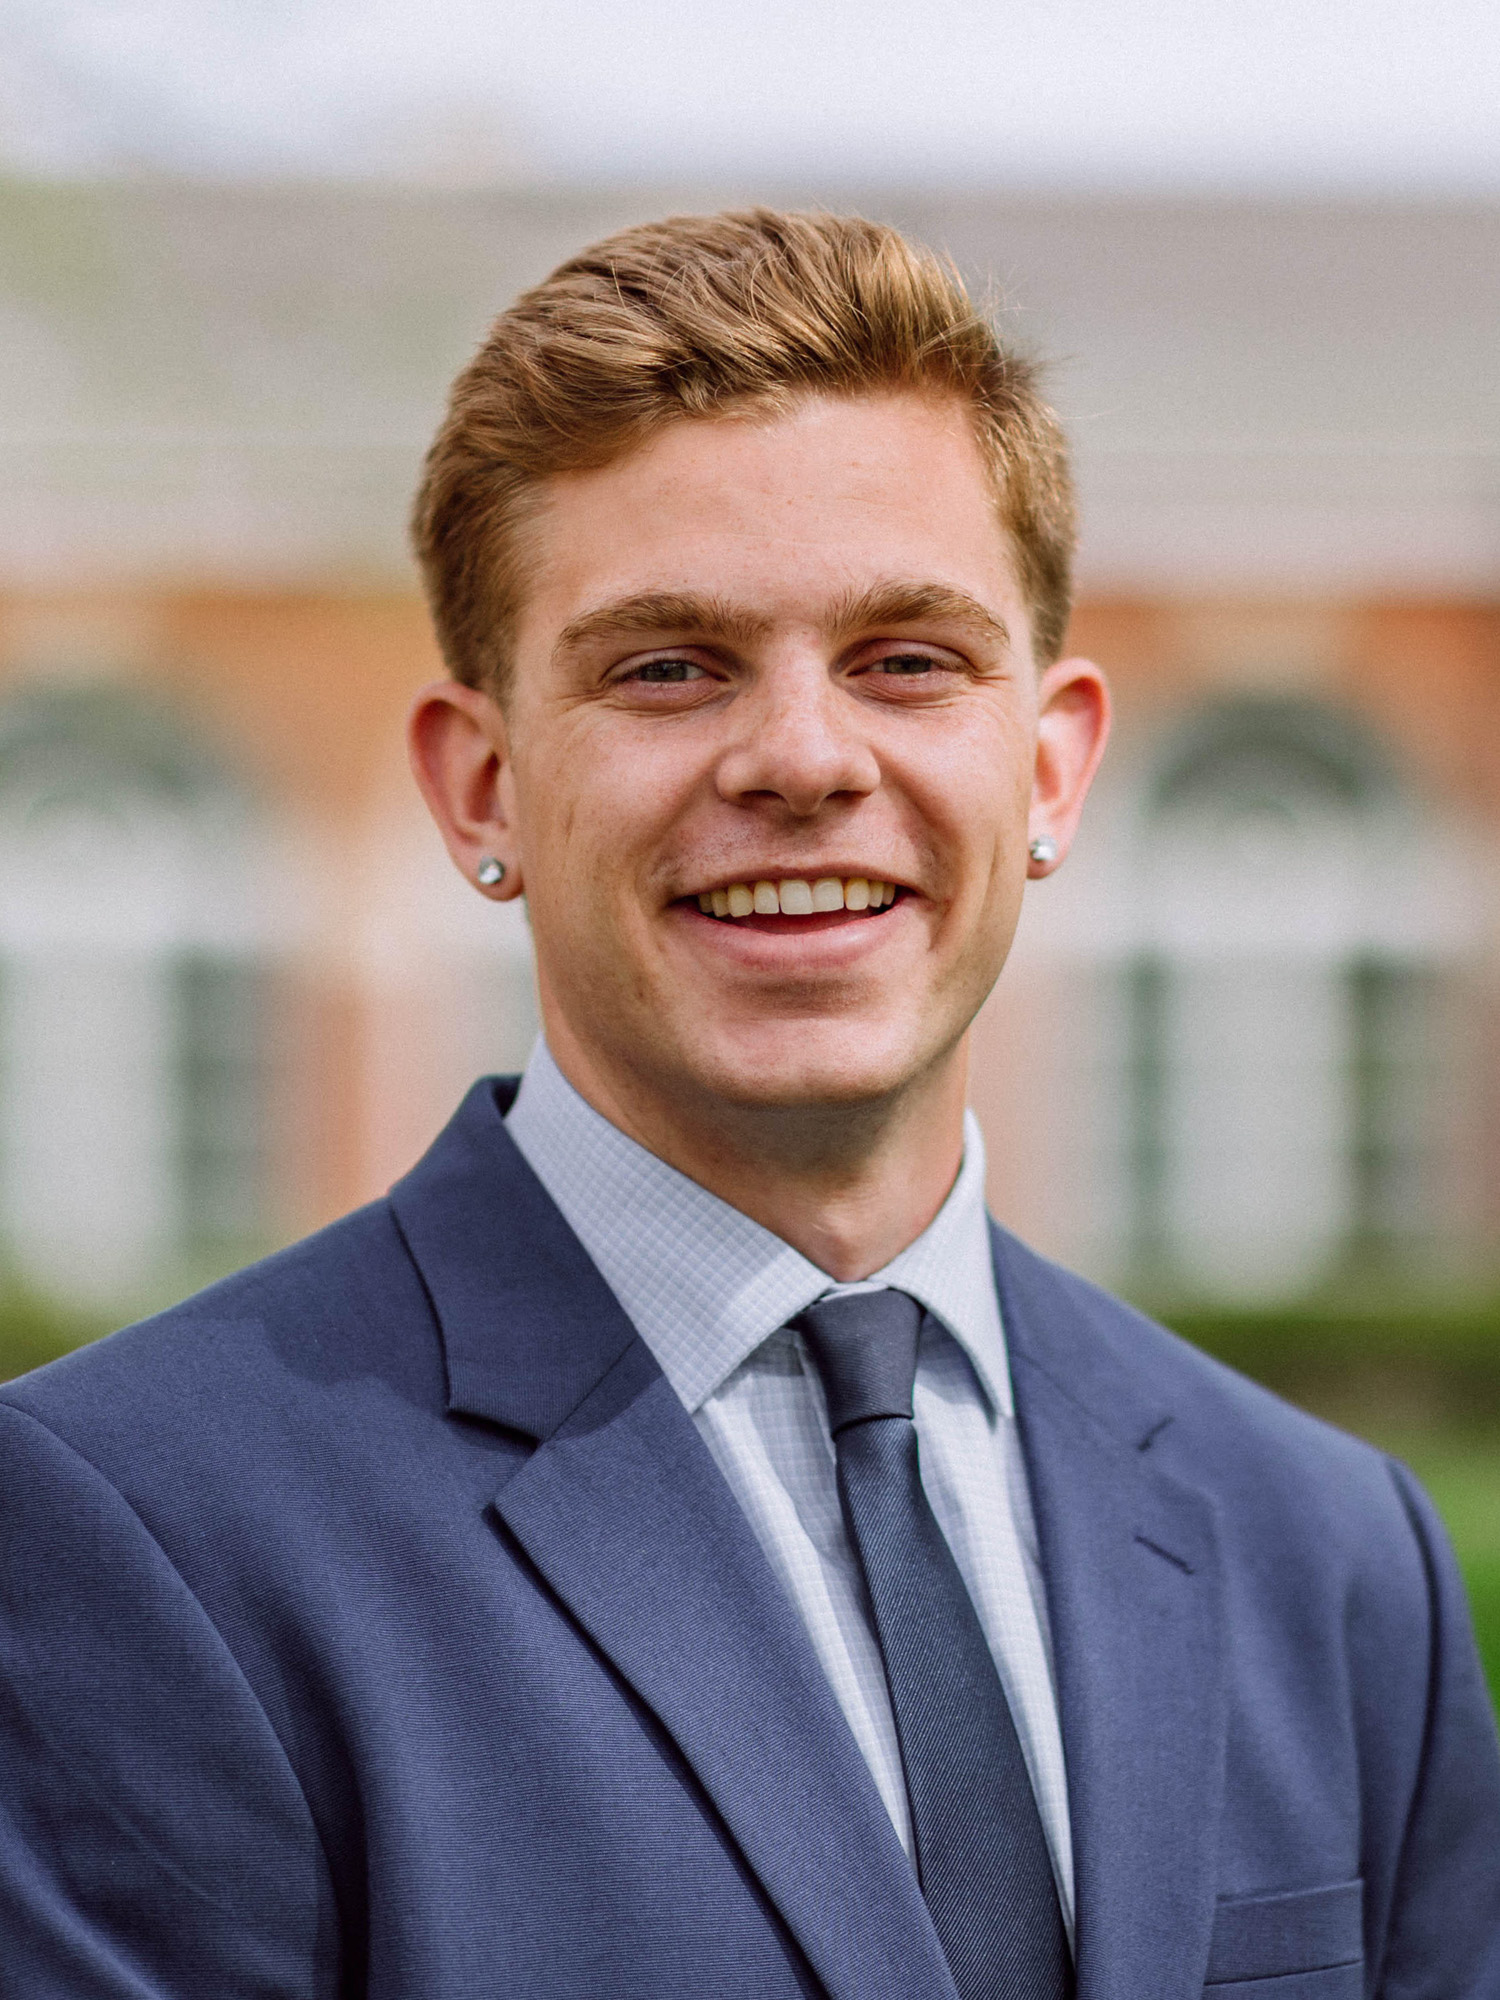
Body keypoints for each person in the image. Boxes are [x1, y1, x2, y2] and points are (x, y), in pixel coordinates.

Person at [1, 209, 1496, 2000]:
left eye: (907, 659)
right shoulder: (129, 1529)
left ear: (1050, 766)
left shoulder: (1333, 1556)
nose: (801, 758)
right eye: (668, 666)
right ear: (480, 788)